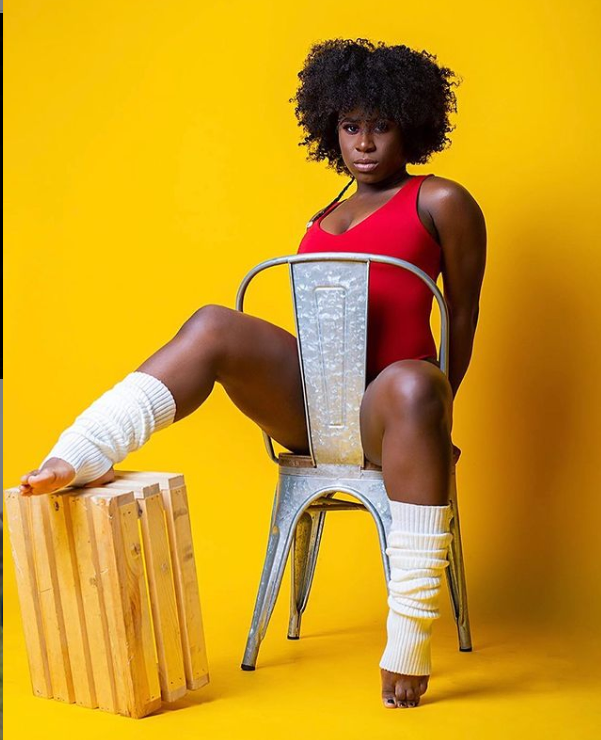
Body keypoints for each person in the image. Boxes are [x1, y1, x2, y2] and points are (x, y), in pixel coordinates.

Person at [18, 38, 487, 709]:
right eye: (349, 126)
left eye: (380, 126)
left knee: (413, 381)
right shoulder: (320, 220)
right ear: (330, 129)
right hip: (317, 410)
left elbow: (462, 318)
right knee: (214, 322)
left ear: (410, 124)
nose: (363, 143)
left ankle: (408, 635)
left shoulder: (440, 200)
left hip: (396, 409)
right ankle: (84, 449)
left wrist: (432, 418)